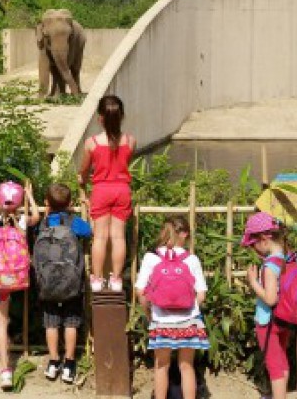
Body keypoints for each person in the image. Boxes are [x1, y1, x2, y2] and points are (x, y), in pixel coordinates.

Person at [135, 216, 209, 399]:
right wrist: (189, 309)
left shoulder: (151, 257)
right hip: (188, 320)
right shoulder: (191, 259)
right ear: (184, 234)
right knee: (186, 366)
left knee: (161, 366)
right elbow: (201, 294)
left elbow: (140, 291)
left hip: (161, 320)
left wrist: (150, 312)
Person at [77, 94, 135, 292]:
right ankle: (117, 279)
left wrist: (82, 183)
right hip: (122, 190)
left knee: (100, 236)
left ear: (99, 118)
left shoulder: (92, 142)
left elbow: (84, 171)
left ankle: (97, 278)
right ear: (122, 116)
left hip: (101, 190)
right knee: (118, 236)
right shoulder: (130, 141)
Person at [35, 183, 91, 384]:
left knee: (51, 322)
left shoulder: (44, 224)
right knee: (71, 323)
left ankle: (53, 361)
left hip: (48, 283)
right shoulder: (74, 223)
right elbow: (89, 231)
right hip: (71, 283)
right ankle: (69, 364)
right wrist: (87, 209)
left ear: (47, 204)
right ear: (70, 204)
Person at [0, 180, 40, 390]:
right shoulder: (24, 221)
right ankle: (7, 364)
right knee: (6, 319)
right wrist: (30, 196)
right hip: (17, 276)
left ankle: (6, 370)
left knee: (1, 321)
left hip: (0, 280)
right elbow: (37, 216)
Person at [241, 212, 291, 399]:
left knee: (274, 365)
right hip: (284, 318)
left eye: (253, 244)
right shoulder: (287, 258)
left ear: (263, 239)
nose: (253, 249)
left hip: (268, 321)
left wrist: (253, 282)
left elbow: (270, 299)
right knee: (282, 360)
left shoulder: (270, 265)